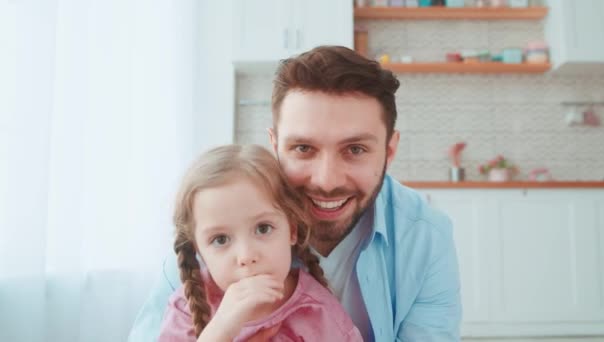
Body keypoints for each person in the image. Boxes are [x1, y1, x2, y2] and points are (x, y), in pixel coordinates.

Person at [129, 46, 461, 341]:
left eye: (355, 149)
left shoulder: (424, 236)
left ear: (389, 151)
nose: (327, 180)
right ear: (275, 145)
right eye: (303, 148)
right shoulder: (221, 222)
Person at [157, 144, 363, 341]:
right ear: (199, 250)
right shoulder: (187, 306)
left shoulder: (319, 313)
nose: (246, 256)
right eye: (220, 239)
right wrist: (220, 330)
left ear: (292, 229)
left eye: (263, 228)